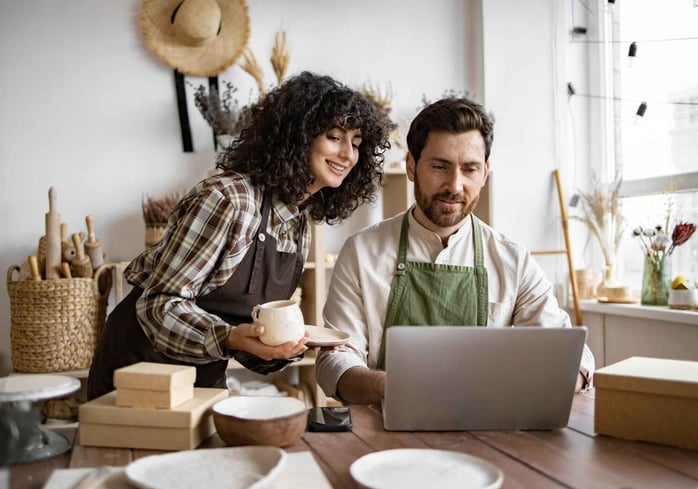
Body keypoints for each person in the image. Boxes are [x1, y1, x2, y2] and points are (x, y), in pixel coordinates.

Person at [87, 72, 393, 400]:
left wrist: (279, 345)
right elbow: (158, 305)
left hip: (201, 381)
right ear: (297, 135)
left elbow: (241, 337)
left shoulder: (296, 222)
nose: (348, 154)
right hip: (138, 373)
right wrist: (230, 337)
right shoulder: (229, 199)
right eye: (334, 137)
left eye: (356, 143)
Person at [315, 97, 595, 405]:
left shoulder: (513, 260)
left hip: (487, 431)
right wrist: (388, 387)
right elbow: (334, 362)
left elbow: (575, 355)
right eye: (439, 166)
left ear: (485, 173)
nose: (455, 185)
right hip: (383, 433)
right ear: (411, 166)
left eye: (470, 169)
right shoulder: (361, 252)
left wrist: (560, 377)